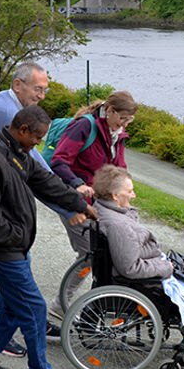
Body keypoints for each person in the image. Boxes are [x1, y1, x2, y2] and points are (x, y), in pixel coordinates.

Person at [0, 105, 98, 369]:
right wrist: (14, 236)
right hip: (2, 250)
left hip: (13, 247)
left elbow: (47, 182)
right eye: (38, 137)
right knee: (35, 308)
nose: (40, 142)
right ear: (23, 129)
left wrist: (80, 204)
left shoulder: (19, 153)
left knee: (13, 307)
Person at [0, 61, 80, 356]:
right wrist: (69, 206)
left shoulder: (9, 104)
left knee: (17, 274)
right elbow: (38, 170)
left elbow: (38, 173)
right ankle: (25, 355)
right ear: (18, 84)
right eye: (38, 88)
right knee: (20, 281)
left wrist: (71, 199)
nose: (43, 95)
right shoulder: (8, 112)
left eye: (45, 89)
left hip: (4, 202)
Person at [92, 165, 184, 365]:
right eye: (130, 191)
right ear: (115, 195)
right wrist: (165, 267)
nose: (134, 195)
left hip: (129, 271)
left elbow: (130, 252)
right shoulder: (119, 226)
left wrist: (157, 257)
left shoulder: (108, 210)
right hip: (135, 283)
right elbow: (130, 268)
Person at [48, 91, 138, 319]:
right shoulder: (84, 127)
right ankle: (60, 306)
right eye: (123, 118)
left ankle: (100, 303)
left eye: (129, 120)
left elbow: (118, 167)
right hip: (73, 199)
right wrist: (77, 184)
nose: (125, 124)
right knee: (90, 252)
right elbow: (59, 161)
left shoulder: (116, 133)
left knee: (107, 249)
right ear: (109, 111)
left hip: (97, 202)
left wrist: (126, 188)